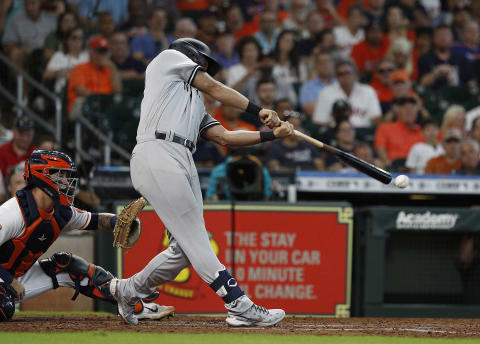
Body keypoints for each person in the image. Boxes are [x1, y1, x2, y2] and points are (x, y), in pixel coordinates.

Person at [109, 37, 292, 327]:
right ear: (191, 56)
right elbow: (215, 87)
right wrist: (259, 110)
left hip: (182, 157)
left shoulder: (195, 102)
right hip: (158, 150)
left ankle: (127, 290)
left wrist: (272, 135)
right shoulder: (166, 59)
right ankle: (238, 304)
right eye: (203, 65)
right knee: (198, 240)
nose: (205, 70)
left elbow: (226, 137)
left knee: (183, 250)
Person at [0, 150, 174, 322]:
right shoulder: (13, 212)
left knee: (67, 265)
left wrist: (118, 222)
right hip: (7, 279)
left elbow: (94, 220)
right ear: (42, 176)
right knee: (3, 307)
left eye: (66, 176)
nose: (67, 182)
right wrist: (9, 280)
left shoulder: (60, 212)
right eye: (60, 175)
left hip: (15, 279)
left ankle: (134, 305)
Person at [313, 58, 382, 128]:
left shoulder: (368, 91)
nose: (345, 76)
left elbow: (376, 118)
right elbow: (320, 122)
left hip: (363, 132)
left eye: (348, 72)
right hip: (335, 133)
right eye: (341, 74)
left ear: (355, 73)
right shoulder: (325, 93)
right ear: (336, 76)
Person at [67, 36, 122, 116]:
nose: (102, 55)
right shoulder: (80, 68)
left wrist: (113, 68)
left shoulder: (109, 70)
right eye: (99, 51)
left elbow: (118, 91)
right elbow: (81, 91)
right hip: (85, 103)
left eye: (104, 52)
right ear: (91, 52)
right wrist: (101, 101)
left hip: (106, 105)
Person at [374, 96, 424, 168]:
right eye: (405, 108)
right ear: (397, 110)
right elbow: (380, 148)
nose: (409, 111)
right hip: (393, 170)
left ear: (417, 112)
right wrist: (389, 166)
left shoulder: (423, 131)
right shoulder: (385, 128)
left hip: (418, 171)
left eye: (412, 108)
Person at [43, 26, 89, 94]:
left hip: (85, 89)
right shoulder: (59, 56)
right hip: (64, 92)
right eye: (74, 38)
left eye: (81, 38)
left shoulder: (87, 56)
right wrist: (59, 72)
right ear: (67, 40)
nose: (78, 41)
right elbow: (46, 75)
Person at [299, 51, 335, 117]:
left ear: (333, 64)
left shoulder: (340, 83)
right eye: (321, 63)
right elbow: (310, 109)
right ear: (316, 66)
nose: (325, 65)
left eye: (328, 62)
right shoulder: (308, 86)